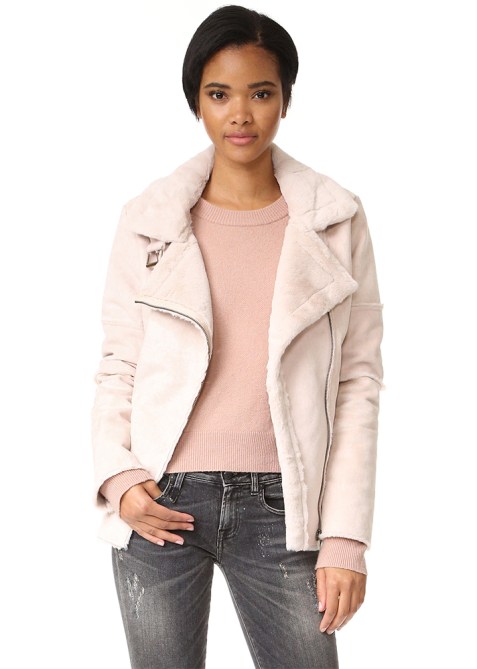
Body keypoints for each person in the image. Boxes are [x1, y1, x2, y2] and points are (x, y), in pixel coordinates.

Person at [91, 5, 384, 668]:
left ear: (285, 98)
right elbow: (118, 364)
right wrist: (118, 476)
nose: (241, 115)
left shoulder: (335, 219)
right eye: (219, 94)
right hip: (161, 500)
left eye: (261, 93)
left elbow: (357, 381)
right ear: (196, 100)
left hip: (285, 505)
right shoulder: (149, 219)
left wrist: (344, 537)